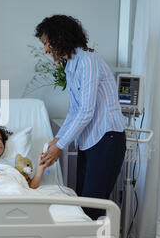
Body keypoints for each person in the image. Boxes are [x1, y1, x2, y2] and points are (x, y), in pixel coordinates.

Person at [35, 15, 126, 220]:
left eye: (47, 43)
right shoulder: (70, 65)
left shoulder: (87, 61)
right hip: (90, 142)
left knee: (92, 208)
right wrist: (58, 140)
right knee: (82, 206)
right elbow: (75, 110)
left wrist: (60, 146)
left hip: (107, 139)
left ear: (60, 38)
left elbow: (86, 111)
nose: (46, 50)